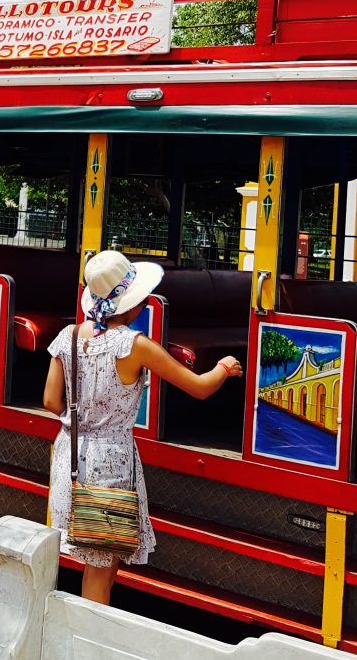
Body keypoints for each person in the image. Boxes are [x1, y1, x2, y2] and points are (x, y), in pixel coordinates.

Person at [42, 250, 243, 605]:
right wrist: (224, 368)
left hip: (69, 456)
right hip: (111, 462)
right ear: (133, 304)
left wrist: (82, 419)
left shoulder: (68, 336)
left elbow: (49, 401)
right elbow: (198, 387)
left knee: (92, 561)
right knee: (103, 569)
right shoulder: (134, 346)